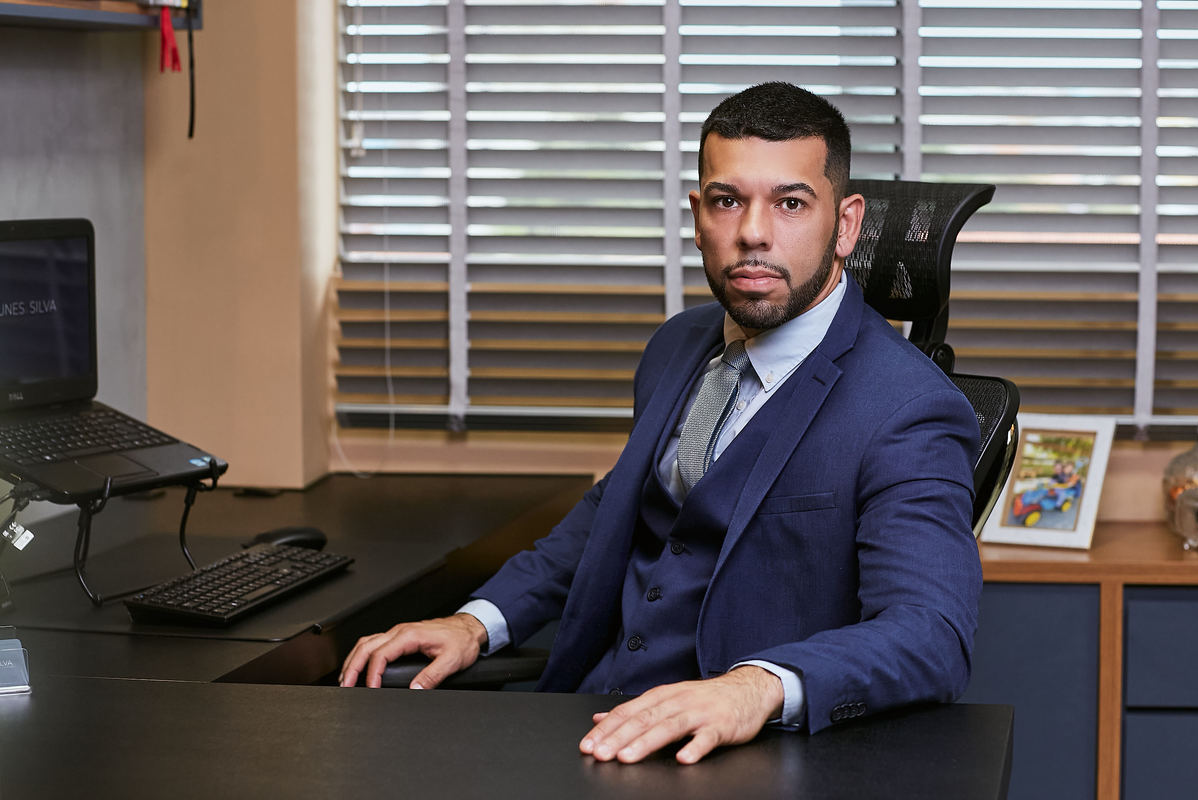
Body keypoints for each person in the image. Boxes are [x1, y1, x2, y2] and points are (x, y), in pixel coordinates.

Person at [340, 82, 982, 766]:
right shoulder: (678, 345)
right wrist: (478, 622)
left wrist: (755, 688)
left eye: (790, 203)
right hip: (588, 716)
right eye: (727, 201)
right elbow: (615, 510)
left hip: (736, 755)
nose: (753, 232)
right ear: (698, 217)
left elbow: (931, 633)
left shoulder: (908, 407)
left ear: (846, 225)